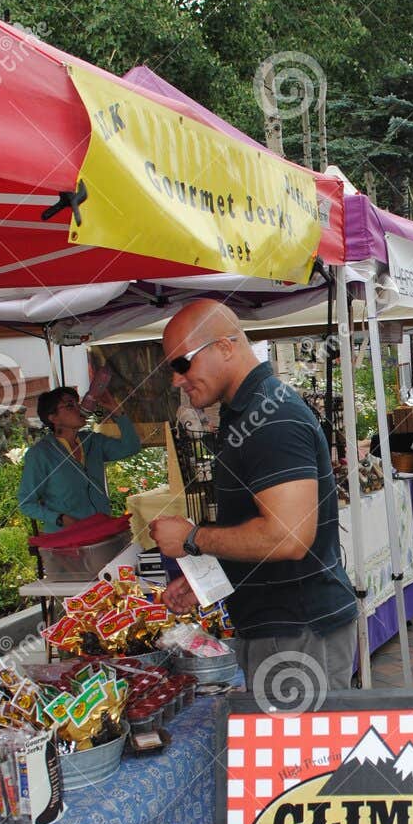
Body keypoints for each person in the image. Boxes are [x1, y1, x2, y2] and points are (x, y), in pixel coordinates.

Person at [149, 301, 357, 705]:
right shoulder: (249, 411)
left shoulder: (270, 417)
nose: (176, 379)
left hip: (296, 631)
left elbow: (287, 538)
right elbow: (262, 529)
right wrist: (214, 577)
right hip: (283, 629)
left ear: (225, 347)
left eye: (182, 364)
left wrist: (193, 539)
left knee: (299, 747)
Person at [18, 383, 141, 532]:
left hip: (101, 530)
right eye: (70, 406)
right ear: (53, 418)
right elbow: (26, 503)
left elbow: (131, 447)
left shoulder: (92, 441)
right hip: (67, 537)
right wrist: (59, 518)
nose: (80, 409)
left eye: (78, 403)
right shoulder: (41, 454)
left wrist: (116, 410)